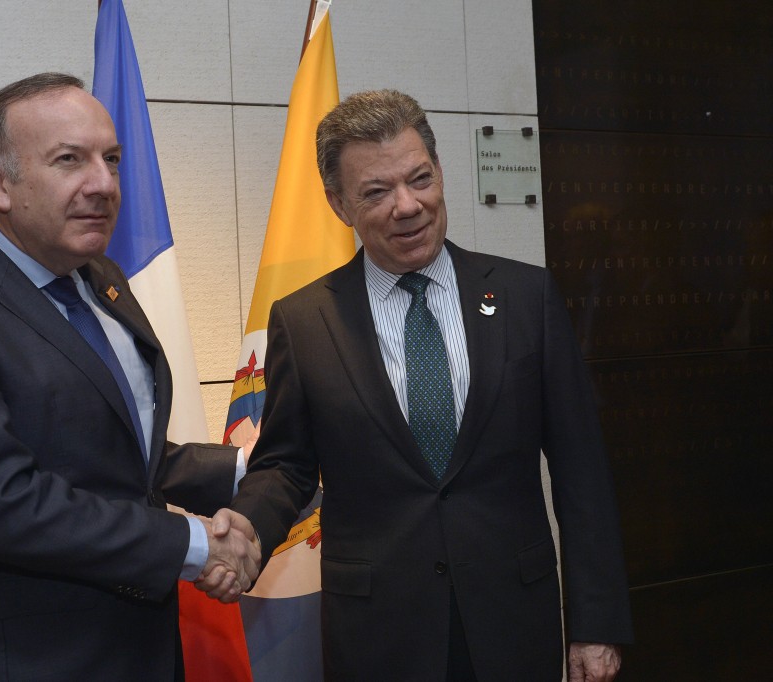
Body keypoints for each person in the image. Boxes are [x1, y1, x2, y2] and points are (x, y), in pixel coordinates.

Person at [220, 90, 634, 681]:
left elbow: (581, 469)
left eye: (420, 178)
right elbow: (285, 464)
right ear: (339, 204)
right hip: (378, 634)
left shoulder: (526, 297)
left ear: (440, 172)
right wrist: (247, 530)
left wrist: (595, 623)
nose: (408, 206)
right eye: (377, 192)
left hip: (513, 619)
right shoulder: (305, 321)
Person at [0, 72, 258, 681]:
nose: (103, 184)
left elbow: (113, 453)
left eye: (111, 159)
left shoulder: (99, 277)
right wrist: (197, 544)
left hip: (144, 651)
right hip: (28, 661)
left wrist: (245, 467)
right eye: (69, 160)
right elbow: (3, 503)